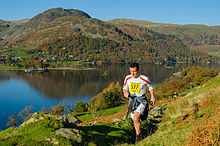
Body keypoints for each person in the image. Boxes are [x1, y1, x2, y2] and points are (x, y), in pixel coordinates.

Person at [123, 62, 156, 144]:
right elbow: (124, 88)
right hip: (132, 101)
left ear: (138, 70)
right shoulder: (127, 78)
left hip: (141, 100)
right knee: (134, 120)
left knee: (136, 118)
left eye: (134, 71)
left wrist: (152, 96)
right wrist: (125, 93)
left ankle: (138, 138)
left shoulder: (144, 78)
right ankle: (140, 133)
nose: (132, 74)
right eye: (131, 71)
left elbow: (150, 87)